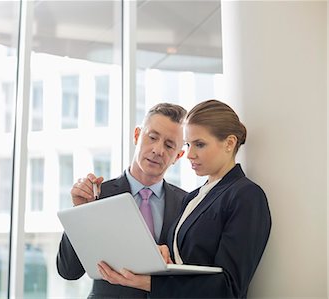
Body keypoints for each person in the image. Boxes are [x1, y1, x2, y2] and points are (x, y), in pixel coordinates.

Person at [97, 99, 272, 298]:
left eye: (199, 144)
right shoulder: (192, 198)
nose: (189, 154)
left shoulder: (246, 195)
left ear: (230, 143)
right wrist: (164, 254)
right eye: (188, 144)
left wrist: (150, 284)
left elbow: (228, 288)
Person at [56, 102, 189, 298]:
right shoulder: (99, 195)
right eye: (152, 137)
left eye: (169, 145)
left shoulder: (187, 203)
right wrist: (80, 212)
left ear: (178, 156)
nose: (158, 150)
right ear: (137, 135)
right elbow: (69, 270)